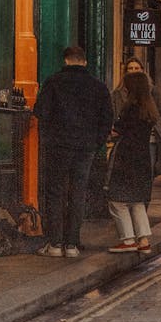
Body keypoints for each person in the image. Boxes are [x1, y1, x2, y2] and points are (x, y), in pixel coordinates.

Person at [33, 44, 113, 258]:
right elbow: (107, 119)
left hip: (58, 146)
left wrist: (51, 136)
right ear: (84, 61)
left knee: (55, 192)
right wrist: (96, 142)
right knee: (78, 193)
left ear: (65, 60)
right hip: (85, 147)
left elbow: (41, 112)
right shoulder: (98, 87)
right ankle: (72, 244)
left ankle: (55, 243)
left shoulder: (53, 82)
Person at [106, 71, 158, 253]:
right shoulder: (149, 109)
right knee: (137, 201)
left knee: (117, 200)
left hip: (126, 158)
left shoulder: (130, 108)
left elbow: (118, 130)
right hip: (143, 159)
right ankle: (143, 240)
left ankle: (127, 240)